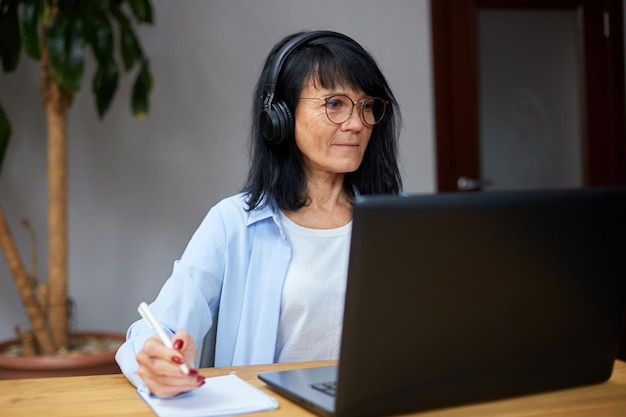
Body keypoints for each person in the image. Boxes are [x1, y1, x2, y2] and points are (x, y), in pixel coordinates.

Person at [115, 29, 403, 398]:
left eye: (367, 106)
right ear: (279, 116)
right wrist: (154, 360)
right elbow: (158, 328)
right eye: (335, 104)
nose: (357, 123)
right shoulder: (234, 222)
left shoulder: (397, 220)